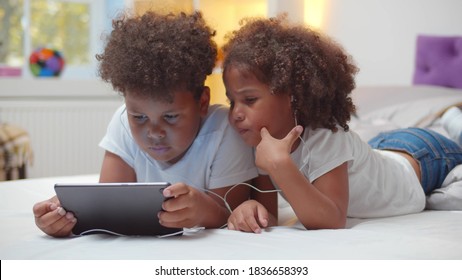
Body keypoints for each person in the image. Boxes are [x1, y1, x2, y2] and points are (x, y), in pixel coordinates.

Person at [221, 15, 462, 233]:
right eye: (232, 101)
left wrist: (280, 165)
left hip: (423, 157)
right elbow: (270, 215)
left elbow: (332, 219)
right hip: (381, 148)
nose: (235, 114)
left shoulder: (325, 136)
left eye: (249, 100)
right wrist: (252, 209)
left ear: (292, 95)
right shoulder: (261, 144)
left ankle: (453, 122)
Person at [32, 11, 258, 237]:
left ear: (202, 102)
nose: (154, 132)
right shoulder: (122, 122)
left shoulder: (224, 131)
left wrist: (203, 211)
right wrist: (64, 217)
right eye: (139, 118)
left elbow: (232, 216)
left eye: (170, 117)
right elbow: (107, 208)